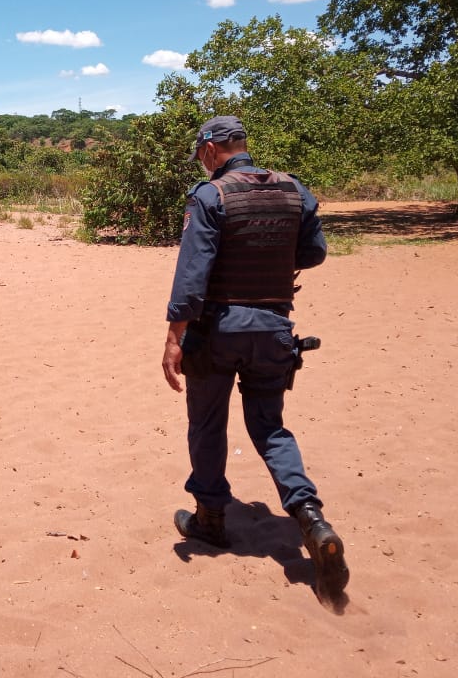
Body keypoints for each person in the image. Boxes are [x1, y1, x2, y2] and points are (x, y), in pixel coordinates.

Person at [161, 115, 349, 603]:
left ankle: (211, 519)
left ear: (209, 149)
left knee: (207, 424)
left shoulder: (211, 196)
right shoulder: (293, 189)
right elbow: (314, 252)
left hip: (217, 331)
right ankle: (310, 517)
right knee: (270, 428)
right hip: (273, 330)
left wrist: (174, 336)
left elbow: (192, 273)